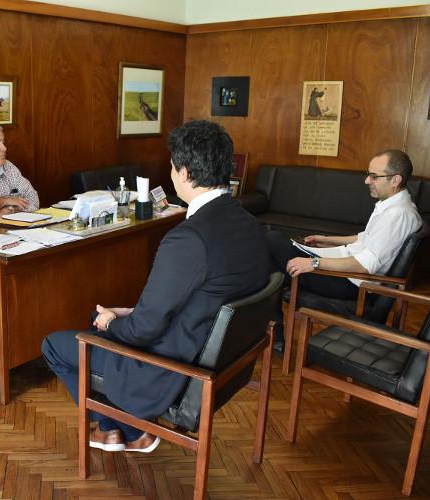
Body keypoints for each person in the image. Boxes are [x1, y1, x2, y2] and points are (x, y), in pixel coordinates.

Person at [41, 120, 270, 453]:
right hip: (222, 362)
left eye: (173, 166)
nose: (172, 173)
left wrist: (112, 322)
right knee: (108, 322)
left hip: (170, 373)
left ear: (185, 173)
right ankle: (123, 430)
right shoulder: (250, 225)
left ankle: (120, 428)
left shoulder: (188, 239)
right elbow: (206, 298)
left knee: (54, 345)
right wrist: (129, 313)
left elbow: (143, 331)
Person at [265, 149, 422, 352]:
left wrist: (313, 263)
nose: (367, 181)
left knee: (272, 241)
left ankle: (273, 333)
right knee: (273, 259)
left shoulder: (397, 215)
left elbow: (364, 265)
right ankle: (274, 334)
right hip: (348, 274)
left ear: (395, 180)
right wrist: (327, 241)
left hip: (352, 283)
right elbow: (364, 238)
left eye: (374, 176)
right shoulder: (394, 206)